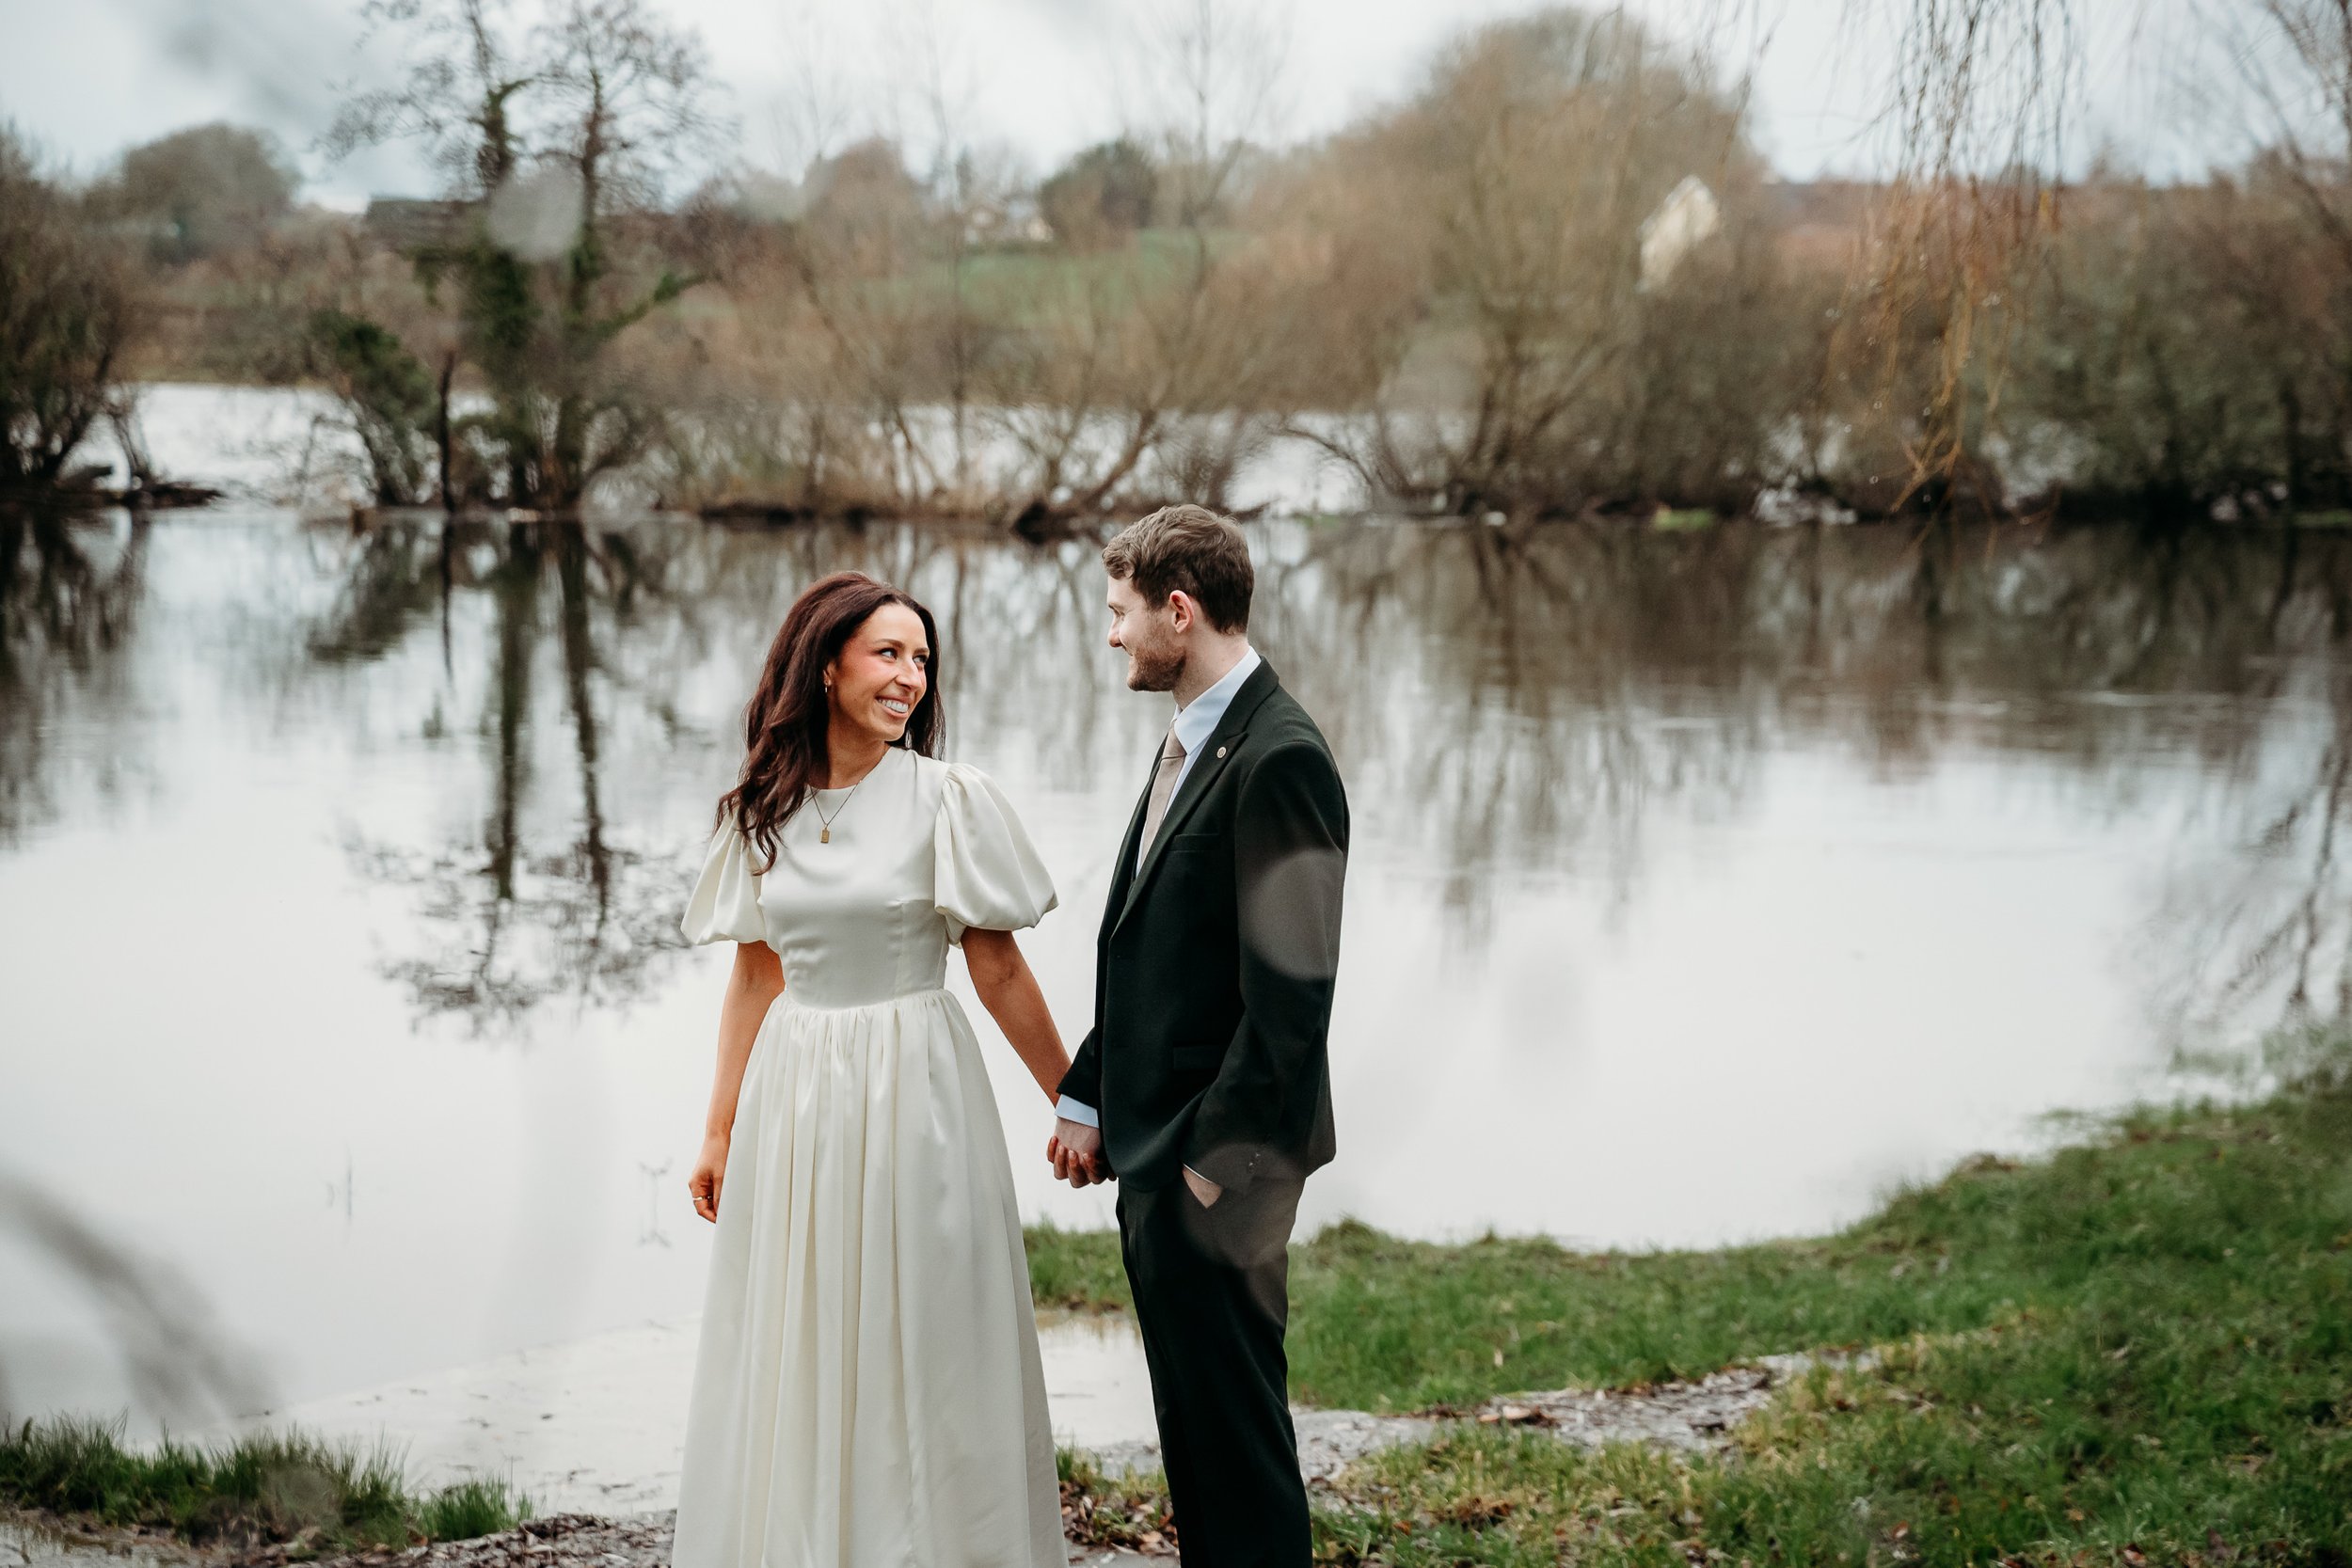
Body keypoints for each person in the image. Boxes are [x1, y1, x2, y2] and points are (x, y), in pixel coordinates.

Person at [673, 571, 1071, 1568]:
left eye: (921, 659)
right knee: (801, 1338)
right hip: (795, 1098)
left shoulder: (948, 798)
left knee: (928, 1331)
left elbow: (999, 966)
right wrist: (719, 1127)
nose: (910, 677)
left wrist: (1078, 1096)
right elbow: (755, 975)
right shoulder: (762, 808)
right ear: (826, 663)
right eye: (888, 653)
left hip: (916, 1091)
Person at [1048, 506, 1349, 1568]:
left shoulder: (1279, 759)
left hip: (1214, 1173)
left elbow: (1290, 1003)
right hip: (1159, 1151)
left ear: (1180, 610)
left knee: (1235, 1448)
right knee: (1199, 1444)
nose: (1113, 634)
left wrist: (1209, 1174)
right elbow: (1159, 952)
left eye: (1122, 612)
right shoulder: (1195, 737)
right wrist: (1089, 1090)